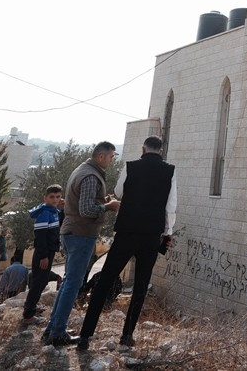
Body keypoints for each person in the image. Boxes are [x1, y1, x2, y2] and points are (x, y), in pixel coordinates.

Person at [78, 136, 176, 352]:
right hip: (151, 234)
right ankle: (127, 335)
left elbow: (119, 192)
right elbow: (171, 206)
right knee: (141, 285)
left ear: (143, 149)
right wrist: (167, 233)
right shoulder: (170, 171)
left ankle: (85, 336)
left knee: (105, 280)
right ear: (161, 151)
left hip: (127, 231)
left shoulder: (130, 167)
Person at [44, 142, 120, 346]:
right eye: (112, 156)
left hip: (72, 231)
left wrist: (101, 200)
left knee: (70, 281)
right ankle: (57, 332)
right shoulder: (91, 176)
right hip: (81, 233)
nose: (113, 160)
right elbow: (86, 210)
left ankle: (53, 327)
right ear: (102, 156)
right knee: (73, 284)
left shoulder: (83, 170)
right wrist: (109, 206)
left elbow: (83, 202)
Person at [23, 184, 64, 326]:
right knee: (38, 283)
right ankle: (28, 316)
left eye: (58, 197)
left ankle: (31, 309)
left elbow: (59, 225)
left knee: (41, 282)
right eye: (52, 197)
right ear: (45, 198)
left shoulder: (53, 211)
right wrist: (43, 256)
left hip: (49, 252)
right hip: (44, 253)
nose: (55, 199)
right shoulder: (44, 212)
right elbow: (40, 237)